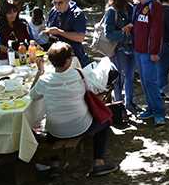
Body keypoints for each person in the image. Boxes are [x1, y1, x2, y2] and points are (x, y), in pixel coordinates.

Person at [29, 43, 118, 177]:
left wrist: (39, 71)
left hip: (55, 131)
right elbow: (92, 89)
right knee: (105, 120)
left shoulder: (44, 81)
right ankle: (98, 162)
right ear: (68, 60)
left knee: (53, 123)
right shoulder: (79, 74)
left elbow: (32, 95)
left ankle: (55, 163)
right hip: (81, 126)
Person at [130, 0, 166, 125]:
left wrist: (154, 51)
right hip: (138, 50)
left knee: (151, 82)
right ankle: (151, 108)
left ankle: (159, 112)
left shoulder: (154, 6)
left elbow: (156, 30)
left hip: (148, 52)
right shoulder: (138, 6)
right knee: (145, 82)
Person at [103, 0, 137, 111]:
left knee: (130, 76)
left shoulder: (131, 8)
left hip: (132, 47)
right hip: (119, 49)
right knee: (118, 77)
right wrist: (123, 31)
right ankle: (119, 105)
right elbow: (109, 33)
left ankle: (129, 102)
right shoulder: (112, 11)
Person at [42, 0, 90, 67]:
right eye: (54, 2)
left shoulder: (77, 13)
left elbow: (80, 37)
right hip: (56, 56)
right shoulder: (53, 11)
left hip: (73, 56)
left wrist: (59, 32)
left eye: (60, 3)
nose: (57, 6)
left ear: (68, 0)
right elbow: (49, 29)